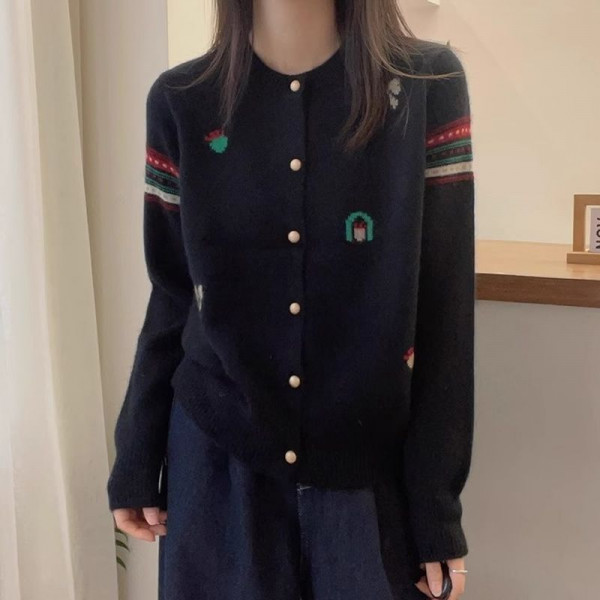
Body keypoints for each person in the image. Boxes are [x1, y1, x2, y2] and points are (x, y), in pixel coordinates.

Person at [107, 1, 475, 599]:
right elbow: (173, 294)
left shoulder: (426, 84)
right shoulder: (182, 100)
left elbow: (444, 305)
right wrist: (137, 453)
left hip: (368, 472)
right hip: (217, 466)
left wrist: (435, 505)